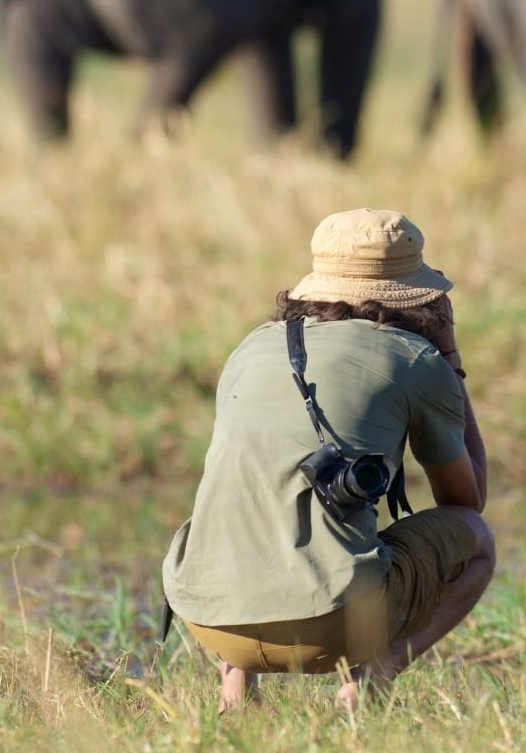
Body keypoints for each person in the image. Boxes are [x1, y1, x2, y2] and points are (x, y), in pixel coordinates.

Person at [162, 207, 494, 712]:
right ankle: (372, 677)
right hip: (332, 626)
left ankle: (235, 693)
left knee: (246, 502)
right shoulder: (414, 359)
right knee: (479, 541)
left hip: (208, 618)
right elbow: (467, 500)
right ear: (418, 295)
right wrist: (448, 360)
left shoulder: (250, 349)